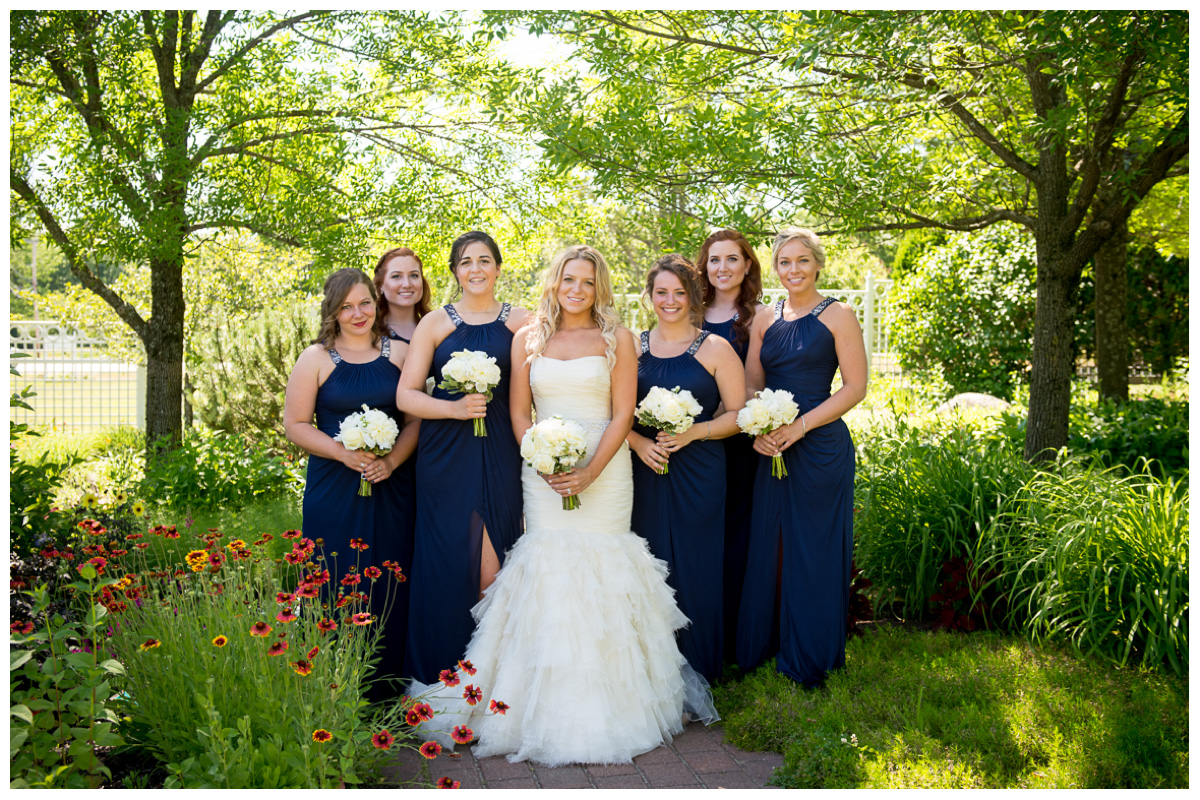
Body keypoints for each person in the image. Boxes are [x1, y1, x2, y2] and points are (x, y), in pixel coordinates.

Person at [408, 244, 717, 766]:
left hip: (607, 467)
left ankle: (616, 704)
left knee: (604, 566)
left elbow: (623, 414)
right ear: (555, 282)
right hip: (543, 470)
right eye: (569, 279)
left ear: (600, 288)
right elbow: (519, 412)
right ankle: (529, 705)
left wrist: (591, 468)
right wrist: (544, 460)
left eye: (588, 282)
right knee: (548, 564)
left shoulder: (618, 338)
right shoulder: (529, 337)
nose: (577, 290)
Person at [395, 231, 530, 686]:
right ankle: (442, 674)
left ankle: (491, 678)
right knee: (448, 562)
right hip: (445, 457)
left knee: (495, 564)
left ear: (497, 267)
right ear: (455, 271)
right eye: (466, 262)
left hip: (501, 451)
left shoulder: (523, 322)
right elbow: (407, 395)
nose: (475, 269)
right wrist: (453, 408)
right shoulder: (435, 323)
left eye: (484, 260)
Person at [737, 228, 867, 686]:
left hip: (820, 446)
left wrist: (801, 425)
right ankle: (765, 648)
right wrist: (760, 425)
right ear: (775, 268)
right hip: (771, 444)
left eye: (802, 261)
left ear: (818, 264)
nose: (793, 270)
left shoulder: (839, 315)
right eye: (784, 262)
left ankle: (810, 657)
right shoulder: (763, 319)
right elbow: (752, 382)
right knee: (771, 546)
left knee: (813, 549)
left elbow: (855, 388)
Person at [283, 267, 418, 693]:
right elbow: (296, 424)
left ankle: (387, 687)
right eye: (346, 307)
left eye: (363, 303)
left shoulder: (399, 353)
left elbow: (414, 420)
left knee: (391, 576)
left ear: (375, 303)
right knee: (335, 574)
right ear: (333, 312)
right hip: (333, 487)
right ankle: (330, 683)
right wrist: (344, 453)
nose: (357, 313)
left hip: (391, 485)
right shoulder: (316, 358)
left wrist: (392, 461)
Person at [629, 254, 745, 684]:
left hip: (700, 471)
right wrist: (639, 442)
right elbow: (612, 414)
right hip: (645, 469)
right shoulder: (630, 346)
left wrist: (695, 433)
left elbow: (739, 414)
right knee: (648, 563)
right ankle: (651, 677)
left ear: (694, 296)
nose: (670, 300)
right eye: (662, 292)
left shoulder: (716, 348)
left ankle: (697, 673)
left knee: (696, 567)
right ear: (649, 296)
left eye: (680, 292)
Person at [696, 229, 763, 666]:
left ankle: (737, 644)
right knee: (702, 536)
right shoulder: (689, 311)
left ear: (747, 265)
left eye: (732, 259)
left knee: (738, 536)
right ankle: (703, 636)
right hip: (695, 441)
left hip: (740, 441)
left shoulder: (760, 316)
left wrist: (733, 411)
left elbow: (756, 381)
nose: (722, 268)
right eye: (714, 260)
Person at [373, 246, 432, 343]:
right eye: (396, 276)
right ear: (381, 285)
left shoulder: (439, 327)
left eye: (414, 275)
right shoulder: (370, 333)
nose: (407, 284)